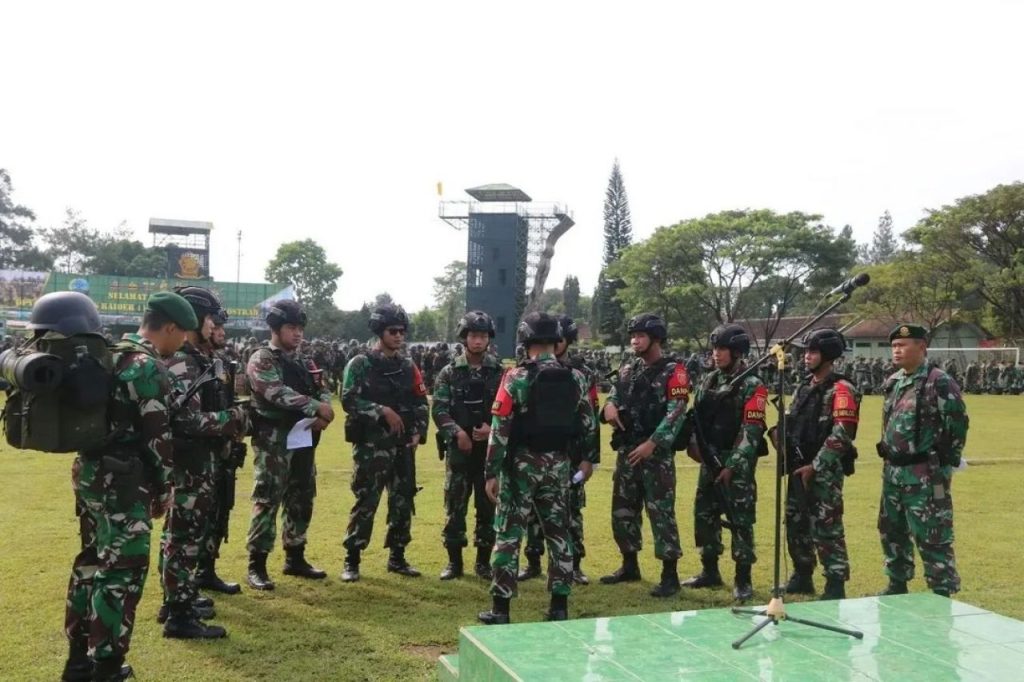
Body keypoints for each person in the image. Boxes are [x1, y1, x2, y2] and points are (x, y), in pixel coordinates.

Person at [61, 291, 196, 682]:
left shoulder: (111, 353)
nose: (183, 342)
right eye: (182, 334)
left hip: (89, 474)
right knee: (122, 572)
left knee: (90, 562)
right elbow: (158, 436)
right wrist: (165, 486)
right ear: (168, 327)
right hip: (124, 484)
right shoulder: (146, 366)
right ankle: (106, 666)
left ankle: (77, 661)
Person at [477, 312, 597, 625]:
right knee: (559, 533)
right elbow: (588, 424)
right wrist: (587, 459)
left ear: (525, 341)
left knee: (509, 532)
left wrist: (491, 471)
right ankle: (559, 606)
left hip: (522, 465)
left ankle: (501, 608)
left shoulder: (515, 377)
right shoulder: (577, 377)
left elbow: (499, 428)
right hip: (558, 464)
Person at [157, 287, 248, 638]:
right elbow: (187, 421)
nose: (214, 326)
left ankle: (179, 598)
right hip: (189, 463)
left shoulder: (197, 358)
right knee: (182, 536)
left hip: (201, 463)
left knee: (185, 534)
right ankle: (178, 613)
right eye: (210, 318)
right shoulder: (183, 360)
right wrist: (235, 417)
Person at [245, 300, 334, 591]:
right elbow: (273, 391)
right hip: (274, 439)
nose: (297, 334)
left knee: (302, 495)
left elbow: (322, 387)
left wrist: (323, 410)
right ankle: (256, 564)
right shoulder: (263, 358)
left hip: (304, 436)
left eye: (300, 329)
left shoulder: (304, 360)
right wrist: (314, 408)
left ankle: (295, 556)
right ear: (276, 328)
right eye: (291, 328)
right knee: (268, 497)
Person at [599, 314, 690, 598]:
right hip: (627, 451)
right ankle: (629, 564)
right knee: (623, 510)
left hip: (655, 456)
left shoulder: (674, 371)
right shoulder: (628, 370)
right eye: (632, 336)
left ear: (655, 338)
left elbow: (676, 411)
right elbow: (614, 395)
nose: (634, 340)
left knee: (660, 513)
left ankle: (669, 575)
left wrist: (653, 443)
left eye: (640, 335)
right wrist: (610, 407)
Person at [876, 324, 968, 597]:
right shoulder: (894, 382)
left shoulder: (938, 381)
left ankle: (941, 589)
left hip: (926, 474)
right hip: (893, 473)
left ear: (922, 347)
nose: (897, 350)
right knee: (891, 529)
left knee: (932, 532)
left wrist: (944, 461)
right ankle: (897, 582)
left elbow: (957, 423)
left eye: (903, 345)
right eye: (894, 346)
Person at [340, 303, 429, 581]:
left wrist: (418, 430)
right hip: (371, 446)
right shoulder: (361, 363)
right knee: (366, 500)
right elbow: (348, 399)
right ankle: (352, 560)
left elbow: (420, 401)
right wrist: (381, 411)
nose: (399, 336)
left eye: (402, 331)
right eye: (393, 331)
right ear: (380, 331)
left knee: (403, 501)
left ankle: (398, 556)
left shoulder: (407, 365)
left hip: (402, 445)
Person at [684, 323, 767, 602]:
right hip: (709, 458)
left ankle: (743, 578)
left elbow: (752, 430)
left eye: (722, 349)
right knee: (704, 515)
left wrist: (732, 465)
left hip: (737, 465)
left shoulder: (752, 385)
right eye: (714, 349)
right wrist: (695, 445)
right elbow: (697, 417)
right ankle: (710, 570)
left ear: (737, 351)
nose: (716, 355)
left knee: (740, 519)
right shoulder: (709, 380)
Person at [519, 314, 601, 585]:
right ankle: (532, 560)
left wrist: (589, 458)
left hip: (569, 453)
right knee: (533, 513)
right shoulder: (526, 371)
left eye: (560, 340)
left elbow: (590, 418)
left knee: (568, 513)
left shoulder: (580, 374)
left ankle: (573, 565)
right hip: (535, 453)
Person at [778, 328, 859, 600]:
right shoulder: (804, 386)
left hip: (823, 471)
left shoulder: (842, 389)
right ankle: (802, 574)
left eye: (812, 352)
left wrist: (815, 465)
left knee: (826, 526)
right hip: (798, 466)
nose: (805, 357)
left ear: (828, 355)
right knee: (795, 521)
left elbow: (843, 432)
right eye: (805, 352)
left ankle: (835, 582)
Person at [431, 311, 503, 580]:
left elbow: (509, 411)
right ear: (464, 338)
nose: (478, 341)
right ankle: (454, 562)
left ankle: (483, 562)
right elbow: (438, 409)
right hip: (459, 453)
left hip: (488, 454)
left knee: (487, 508)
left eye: (483, 336)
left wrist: (491, 429)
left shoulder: (500, 372)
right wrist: (457, 432)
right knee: (455, 508)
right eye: (473, 335)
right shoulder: (449, 373)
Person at [196, 308, 246, 595]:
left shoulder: (218, 362)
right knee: (188, 524)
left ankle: (206, 571)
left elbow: (227, 400)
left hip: (221, 452)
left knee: (218, 511)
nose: (221, 331)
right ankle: (180, 593)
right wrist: (231, 417)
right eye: (215, 325)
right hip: (196, 455)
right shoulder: (185, 361)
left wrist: (238, 417)